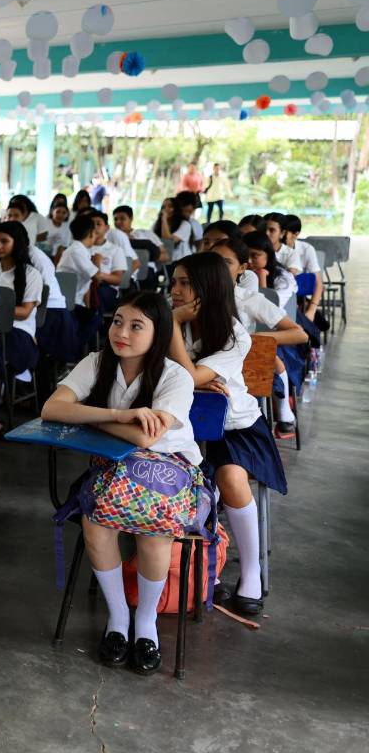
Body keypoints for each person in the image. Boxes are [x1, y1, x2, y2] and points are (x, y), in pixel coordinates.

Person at [41, 291, 207, 675]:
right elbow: (51, 408)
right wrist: (120, 414)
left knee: (153, 530)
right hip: (113, 470)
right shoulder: (97, 362)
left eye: (136, 326)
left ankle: (145, 623)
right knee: (96, 522)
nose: (122, 333)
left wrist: (85, 416)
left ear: (158, 332)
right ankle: (118, 619)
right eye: (117, 321)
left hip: (170, 473)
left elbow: (147, 439)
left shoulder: (175, 376)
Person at [168, 252, 286, 618]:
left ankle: (251, 571)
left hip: (235, 430)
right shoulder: (168, 321)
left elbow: (185, 377)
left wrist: (170, 325)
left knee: (230, 478)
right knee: (175, 482)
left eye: (184, 283)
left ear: (207, 288)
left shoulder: (233, 334)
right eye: (173, 282)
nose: (175, 290)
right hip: (180, 428)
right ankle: (201, 564)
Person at [210, 237, 308, 439]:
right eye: (213, 260)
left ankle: (283, 411)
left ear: (242, 268)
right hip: (203, 373)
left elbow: (299, 333)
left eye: (226, 262)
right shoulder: (190, 297)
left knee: (270, 355)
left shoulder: (247, 299)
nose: (218, 268)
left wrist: (251, 338)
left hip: (241, 373)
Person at [0, 221, 44, 380]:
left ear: (17, 242)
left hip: (18, 331)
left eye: (4, 241)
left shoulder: (31, 274)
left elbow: (24, 313)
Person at [280, 214, 323, 321]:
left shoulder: (306, 249)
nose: (281, 236)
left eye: (285, 233)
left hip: (298, 293)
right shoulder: (272, 248)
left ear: (296, 234)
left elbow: (318, 282)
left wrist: (312, 310)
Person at [243, 230, 297, 309]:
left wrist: (262, 278)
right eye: (245, 255)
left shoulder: (283, 279)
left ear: (268, 255)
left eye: (254, 256)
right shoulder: (239, 272)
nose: (248, 261)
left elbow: (268, 310)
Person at [156, 196, 192, 262]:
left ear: (176, 209)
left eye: (170, 206)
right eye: (163, 207)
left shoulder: (185, 225)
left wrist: (164, 219)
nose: (166, 209)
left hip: (181, 261)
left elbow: (168, 241)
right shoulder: (157, 224)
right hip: (164, 260)